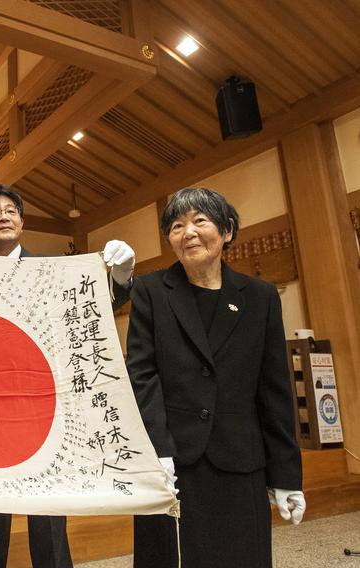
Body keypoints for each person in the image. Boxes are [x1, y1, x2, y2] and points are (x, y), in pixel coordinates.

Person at [126, 187, 305, 568]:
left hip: (241, 458)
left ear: (227, 230)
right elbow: (141, 375)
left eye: (199, 221)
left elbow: (274, 388)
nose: (187, 232)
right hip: (172, 461)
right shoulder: (150, 291)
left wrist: (286, 473)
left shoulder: (260, 296)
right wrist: (157, 449)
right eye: (176, 225)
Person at [0, 183, 136, 568]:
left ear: (22, 221)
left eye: (10, 210)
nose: (4, 216)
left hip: (44, 408)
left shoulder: (53, 270)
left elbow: (101, 300)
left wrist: (122, 275)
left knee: (49, 516)